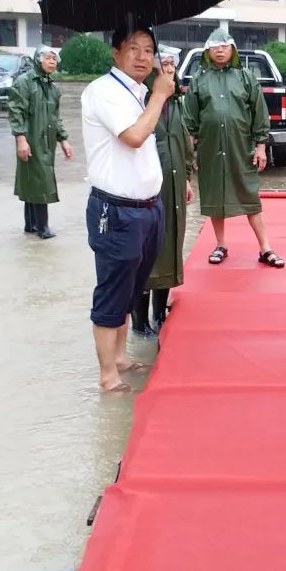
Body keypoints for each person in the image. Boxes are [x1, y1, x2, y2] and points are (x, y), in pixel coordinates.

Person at [80, 27, 176, 393]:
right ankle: (108, 376)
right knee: (113, 289)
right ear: (115, 54)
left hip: (149, 209)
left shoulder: (138, 92)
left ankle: (120, 357)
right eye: (132, 48)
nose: (141, 56)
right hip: (117, 212)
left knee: (132, 287)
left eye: (148, 49)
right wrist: (160, 96)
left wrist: (158, 93)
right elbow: (134, 137)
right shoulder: (105, 91)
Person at [183, 28, 284, 269]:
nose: (220, 50)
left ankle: (265, 247)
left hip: (241, 147)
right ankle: (220, 244)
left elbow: (259, 113)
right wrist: (190, 157)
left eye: (225, 46)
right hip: (209, 148)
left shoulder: (245, 76)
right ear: (208, 50)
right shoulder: (199, 79)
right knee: (215, 196)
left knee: (250, 196)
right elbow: (190, 123)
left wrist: (260, 147)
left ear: (233, 50)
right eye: (216, 46)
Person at [131, 47, 195, 338]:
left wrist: (186, 179)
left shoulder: (177, 100)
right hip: (147, 184)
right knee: (146, 250)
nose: (169, 67)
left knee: (170, 244)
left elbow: (182, 142)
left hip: (174, 181)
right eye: (164, 62)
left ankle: (159, 314)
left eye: (172, 63)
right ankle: (139, 321)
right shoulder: (139, 97)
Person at [7, 45, 73, 239]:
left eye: (55, 59)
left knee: (33, 180)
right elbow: (16, 111)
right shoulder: (24, 82)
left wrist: (64, 140)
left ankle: (30, 225)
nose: (53, 62)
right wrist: (21, 139)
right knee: (40, 181)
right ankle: (42, 227)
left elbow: (55, 117)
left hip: (47, 141)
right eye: (49, 58)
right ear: (38, 58)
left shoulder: (52, 88)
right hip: (31, 139)